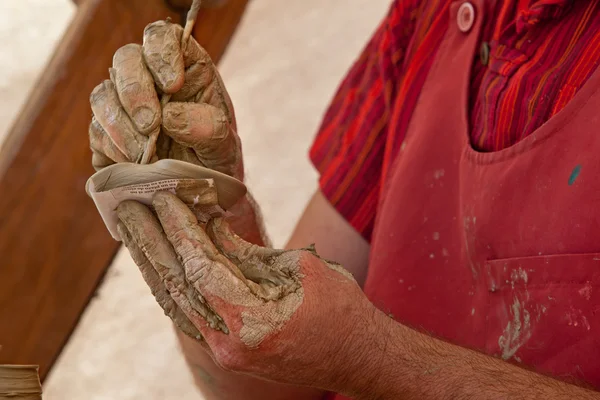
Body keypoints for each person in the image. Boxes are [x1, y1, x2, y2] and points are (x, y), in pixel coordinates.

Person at [89, 0, 600, 398]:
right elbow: (271, 384)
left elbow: (339, 351)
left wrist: (370, 356)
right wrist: (203, 209)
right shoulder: (431, 14)